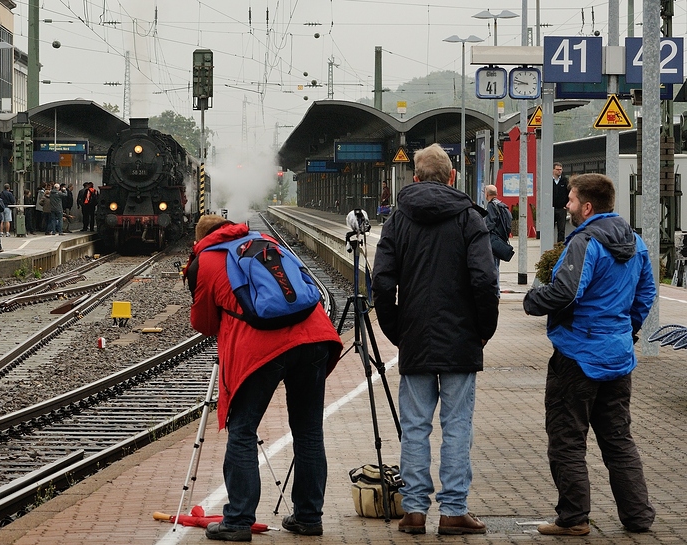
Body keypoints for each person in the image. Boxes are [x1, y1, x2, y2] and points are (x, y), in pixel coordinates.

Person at [186, 214, 342, 542]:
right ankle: (309, 517)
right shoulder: (265, 242)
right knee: (309, 430)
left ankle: (239, 521)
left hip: (262, 349)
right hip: (315, 337)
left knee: (242, 431)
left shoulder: (208, 260)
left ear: (201, 238)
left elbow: (204, 323)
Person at [371, 143, 499, 536]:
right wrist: (483, 330)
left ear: (414, 178)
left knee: (415, 427)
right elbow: (485, 279)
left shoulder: (397, 220)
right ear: (452, 177)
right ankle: (453, 511)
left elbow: (381, 281)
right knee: (457, 425)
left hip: (415, 339)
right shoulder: (469, 218)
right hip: (461, 340)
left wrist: (397, 330)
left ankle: (413, 512)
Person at [522, 173, 656, 536]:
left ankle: (574, 518)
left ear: (587, 206)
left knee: (567, 439)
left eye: (570, 199)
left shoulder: (585, 242)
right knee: (618, 439)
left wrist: (531, 301)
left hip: (577, 356)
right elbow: (646, 294)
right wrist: (625, 331)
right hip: (617, 356)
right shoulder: (636, 243)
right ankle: (638, 516)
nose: (566, 205)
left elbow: (566, 292)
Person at [484, 184, 511, 293]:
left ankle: (495, 291)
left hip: (493, 240)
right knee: (496, 266)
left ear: (486, 194)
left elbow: (489, 223)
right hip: (500, 240)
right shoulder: (502, 205)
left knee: (493, 267)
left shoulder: (491, 206)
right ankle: (496, 290)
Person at [552, 162, 569, 243]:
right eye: (557, 169)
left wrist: (567, 204)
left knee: (561, 229)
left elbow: (569, 193)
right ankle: (549, 243)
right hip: (551, 208)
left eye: (560, 170)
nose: (559, 171)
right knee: (550, 228)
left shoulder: (565, 181)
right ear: (553, 170)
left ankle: (560, 245)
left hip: (562, 208)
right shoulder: (549, 181)